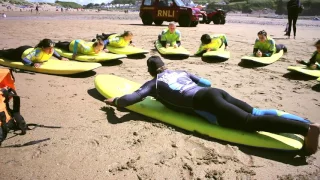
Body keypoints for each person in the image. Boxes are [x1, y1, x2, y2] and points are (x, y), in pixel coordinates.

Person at [104, 55, 320, 155]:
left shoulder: (154, 85)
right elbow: (207, 83)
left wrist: (115, 102)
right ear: (164, 65)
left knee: (249, 122)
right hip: (213, 93)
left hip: (205, 103)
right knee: (255, 111)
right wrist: (190, 81)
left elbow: (133, 97)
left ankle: (305, 130)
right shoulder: (180, 71)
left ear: (151, 71)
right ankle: (305, 121)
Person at [0, 39, 68, 68]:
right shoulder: (37, 52)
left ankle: (6, 49)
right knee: (5, 55)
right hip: (20, 53)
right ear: (43, 48)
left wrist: (60, 58)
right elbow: (24, 59)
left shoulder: (51, 49)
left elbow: (54, 52)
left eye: (52, 48)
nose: (51, 50)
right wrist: (33, 64)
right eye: (49, 48)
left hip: (28, 48)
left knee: (11, 51)